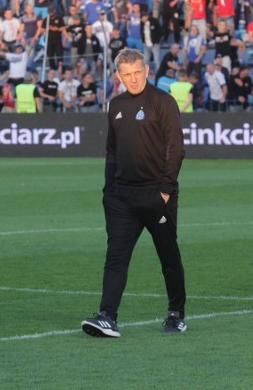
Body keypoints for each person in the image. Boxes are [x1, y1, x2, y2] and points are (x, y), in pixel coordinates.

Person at [82, 48, 187, 338]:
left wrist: (165, 191)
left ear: (147, 71)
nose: (134, 79)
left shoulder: (162, 102)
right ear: (118, 76)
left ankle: (176, 314)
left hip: (156, 195)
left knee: (167, 255)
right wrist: (108, 190)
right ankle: (107, 316)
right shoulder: (115, 104)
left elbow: (176, 148)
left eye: (137, 73)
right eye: (127, 75)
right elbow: (112, 150)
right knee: (116, 255)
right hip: (121, 197)